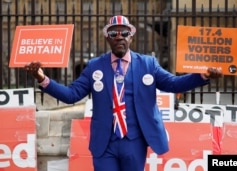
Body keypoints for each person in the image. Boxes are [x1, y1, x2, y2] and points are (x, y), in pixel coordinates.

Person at [25, 15, 222, 171]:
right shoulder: (95, 66)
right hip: (105, 143)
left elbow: (173, 84)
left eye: (124, 32)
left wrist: (202, 76)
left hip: (134, 141)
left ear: (131, 36)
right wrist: (43, 78)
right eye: (113, 33)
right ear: (107, 38)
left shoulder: (148, 64)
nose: (119, 36)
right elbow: (72, 95)